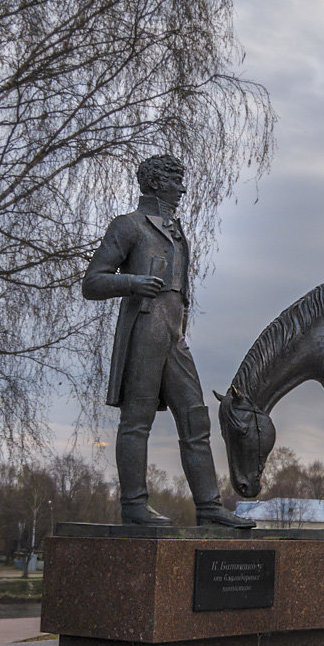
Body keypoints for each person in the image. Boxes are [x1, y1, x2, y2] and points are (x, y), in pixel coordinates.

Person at [82, 155, 254, 528]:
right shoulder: (129, 227)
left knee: (195, 418)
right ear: (157, 183)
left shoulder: (176, 231)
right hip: (144, 332)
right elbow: (92, 282)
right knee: (136, 421)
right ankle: (134, 505)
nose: (182, 189)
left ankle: (209, 507)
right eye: (176, 181)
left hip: (174, 338)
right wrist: (132, 283)